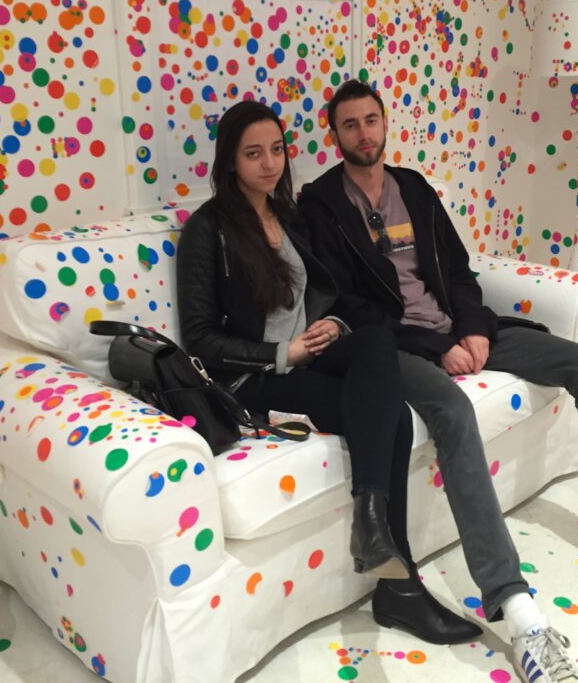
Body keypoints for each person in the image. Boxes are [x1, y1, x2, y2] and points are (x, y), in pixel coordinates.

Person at [298, 80, 578, 683]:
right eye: (350, 125)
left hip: (459, 328)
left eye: (371, 120)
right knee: (451, 411)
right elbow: (348, 305)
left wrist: (474, 330)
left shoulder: (416, 189)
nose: (364, 133)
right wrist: (439, 347)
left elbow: (458, 271)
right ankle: (520, 613)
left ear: (384, 123)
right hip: (394, 349)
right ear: (335, 134)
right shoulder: (319, 204)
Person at [176, 100, 481, 644]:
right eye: (253, 154)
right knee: (396, 423)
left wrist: (335, 324)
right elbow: (200, 338)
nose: (269, 164)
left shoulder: (290, 216)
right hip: (258, 377)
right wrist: (281, 354)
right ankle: (398, 587)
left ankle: (374, 529)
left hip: (310, 353)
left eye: (276, 150)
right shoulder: (208, 230)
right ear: (229, 162)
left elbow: (338, 295)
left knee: (374, 338)